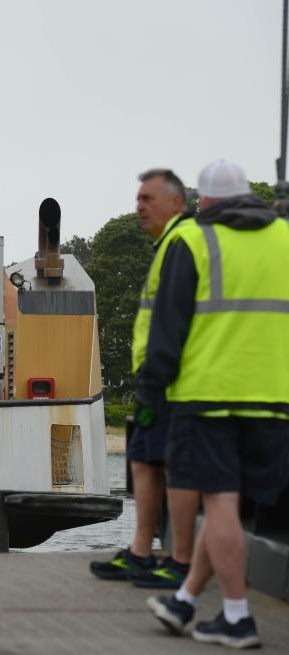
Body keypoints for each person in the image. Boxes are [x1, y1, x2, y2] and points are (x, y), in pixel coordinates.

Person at [140, 160, 289, 648]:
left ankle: (237, 616)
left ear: (201, 201)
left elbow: (169, 328)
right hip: (273, 398)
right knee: (233, 508)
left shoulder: (193, 242)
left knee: (218, 502)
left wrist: (152, 390)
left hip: (207, 396)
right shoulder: (284, 237)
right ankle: (185, 599)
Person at [90, 169, 199, 589]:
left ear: (176, 202)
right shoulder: (168, 244)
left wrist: (155, 380)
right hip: (157, 379)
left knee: (166, 464)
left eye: (147, 198)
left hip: (170, 382)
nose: (139, 207)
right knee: (144, 460)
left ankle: (173, 557)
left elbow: (171, 321)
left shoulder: (180, 242)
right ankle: (143, 551)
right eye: (137, 199)